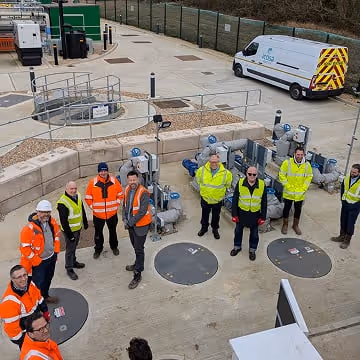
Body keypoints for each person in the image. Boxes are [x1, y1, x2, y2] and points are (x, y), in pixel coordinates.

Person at [20, 200, 61, 304]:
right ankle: (36, 304)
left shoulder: (52, 222)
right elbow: (25, 248)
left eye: (48, 212)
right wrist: (36, 260)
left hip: (51, 258)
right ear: (37, 212)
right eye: (43, 212)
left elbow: (57, 235)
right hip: (39, 262)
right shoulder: (28, 229)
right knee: (37, 284)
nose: (46, 214)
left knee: (48, 279)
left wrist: (55, 251)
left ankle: (45, 296)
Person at [0, 265, 49, 349]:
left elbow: (39, 297)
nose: (23, 279)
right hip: (26, 333)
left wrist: (45, 311)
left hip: (36, 325)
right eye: (19, 277)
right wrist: (24, 341)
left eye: (24, 275)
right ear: (12, 279)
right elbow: (12, 330)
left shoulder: (30, 283)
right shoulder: (9, 302)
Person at [85, 162, 124, 259]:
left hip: (112, 214)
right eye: (101, 171)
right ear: (98, 172)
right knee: (98, 233)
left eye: (105, 170)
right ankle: (98, 249)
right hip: (98, 215)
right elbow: (88, 197)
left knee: (113, 232)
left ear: (107, 171)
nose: (103, 172)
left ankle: (114, 247)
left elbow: (120, 194)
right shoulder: (92, 183)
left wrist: (116, 205)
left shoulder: (114, 181)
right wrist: (93, 208)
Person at [122, 171, 152, 289]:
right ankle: (136, 264)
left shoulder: (143, 192)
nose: (132, 182)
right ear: (128, 180)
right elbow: (125, 206)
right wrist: (124, 218)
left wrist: (129, 222)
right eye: (130, 180)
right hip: (131, 225)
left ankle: (138, 274)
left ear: (138, 179)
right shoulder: (127, 189)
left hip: (141, 226)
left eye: (134, 180)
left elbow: (141, 212)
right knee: (135, 246)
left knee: (139, 249)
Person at [230, 167, 267, 261]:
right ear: (246, 174)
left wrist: (263, 217)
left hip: (255, 215)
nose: (252, 176)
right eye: (249, 174)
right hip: (241, 213)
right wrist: (234, 214)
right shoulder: (241, 182)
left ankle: (252, 250)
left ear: (257, 175)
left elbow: (264, 202)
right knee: (238, 231)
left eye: (254, 174)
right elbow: (235, 199)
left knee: (254, 234)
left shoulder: (262, 185)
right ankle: (237, 247)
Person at [195, 153, 232, 239]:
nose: (214, 164)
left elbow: (227, 185)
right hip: (205, 198)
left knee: (216, 216)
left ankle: (215, 229)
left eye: (215, 162)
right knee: (204, 215)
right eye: (212, 162)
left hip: (217, 200)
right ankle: (204, 228)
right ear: (209, 161)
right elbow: (198, 181)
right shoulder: (202, 170)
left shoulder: (227, 174)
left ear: (219, 162)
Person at [57, 181, 88, 280]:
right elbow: (64, 222)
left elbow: (81, 208)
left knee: (74, 246)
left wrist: (85, 221)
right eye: (71, 189)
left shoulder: (78, 195)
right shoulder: (62, 203)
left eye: (75, 188)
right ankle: (69, 268)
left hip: (77, 228)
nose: (74, 190)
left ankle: (74, 262)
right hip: (69, 230)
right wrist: (70, 235)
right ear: (66, 189)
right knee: (70, 249)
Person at [278, 147, 313, 235]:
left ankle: (295, 225)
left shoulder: (307, 165)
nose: (299, 156)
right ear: (294, 154)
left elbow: (309, 176)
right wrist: (287, 186)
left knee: (298, 209)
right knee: (286, 208)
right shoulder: (287, 163)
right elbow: (281, 175)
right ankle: (285, 225)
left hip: (300, 193)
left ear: (304, 155)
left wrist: (304, 188)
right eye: (298, 154)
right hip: (289, 192)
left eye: (301, 155)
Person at [331, 164, 360, 249]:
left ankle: (347, 241)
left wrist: (357, 205)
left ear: (359, 173)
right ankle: (341, 236)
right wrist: (342, 200)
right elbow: (343, 187)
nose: (352, 173)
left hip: (355, 206)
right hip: (345, 204)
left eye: (354, 172)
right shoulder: (347, 177)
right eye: (351, 171)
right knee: (343, 220)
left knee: (350, 223)